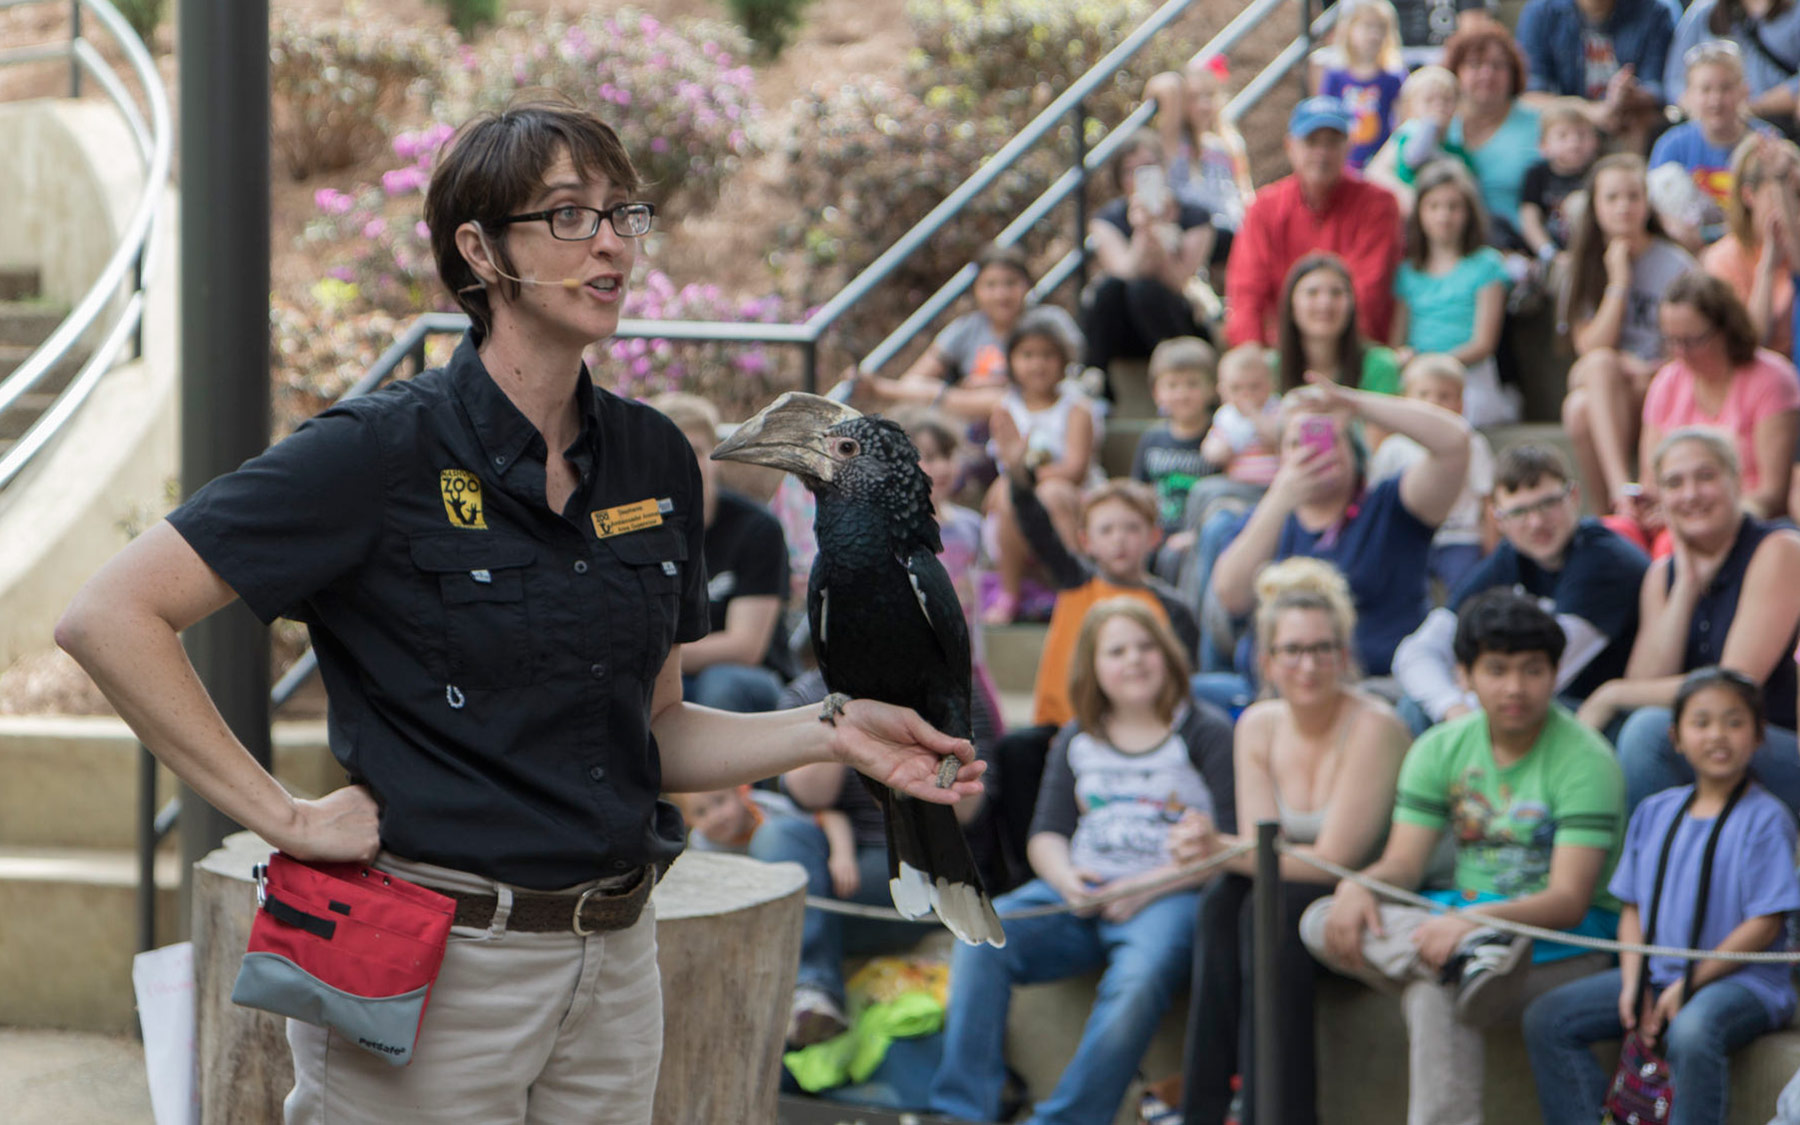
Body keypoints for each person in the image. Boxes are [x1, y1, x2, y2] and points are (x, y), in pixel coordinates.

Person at [50, 99, 987, 1123]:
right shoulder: (375, 452)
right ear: (479, 250)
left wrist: (838, 731)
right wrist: (283, 815)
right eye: (570, 216)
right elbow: (112, 614)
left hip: (616, 967)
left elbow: (657, 729)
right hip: (430, 972)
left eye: (624, 214)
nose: (614, 244)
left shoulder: (654, 457)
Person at [1301, 591, 1625, 1125]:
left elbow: (1568, 901)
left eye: (1532, 671)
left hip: (1563, 944)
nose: (1515, 688)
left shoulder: (1587, 759)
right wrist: (1359, 885)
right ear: (1464, 674)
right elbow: (1404, 866)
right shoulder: (1440, 747)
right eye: (1496, 670)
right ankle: (1470, 960)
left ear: (1555, 673)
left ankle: (1469, 958)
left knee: (1435, 990)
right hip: (1466, 922)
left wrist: (1471, 923)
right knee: (1321, 919)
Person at [928, 600, 1236, 1125]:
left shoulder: (1204, 731)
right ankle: (960, 1113)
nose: (1134, 661)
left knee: (1138, 980)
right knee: (980, 939)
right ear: (1093, 666)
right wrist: (1069, 882)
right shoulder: (1077, 736)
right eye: (1117, 651)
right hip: (1080, 893)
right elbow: (1046, 835)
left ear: (1168, 656)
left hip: (1168, 896)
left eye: (1146, 647)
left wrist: (1145, 888)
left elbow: (1234, 846)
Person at [1173, 559, 1410, 1125]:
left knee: (1263, 908)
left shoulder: (1375, 726)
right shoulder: (1257, 723)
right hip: (1284, 896)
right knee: (1224, 902)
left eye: (1323, 649)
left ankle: (1275, 1114)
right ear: (1267, 661)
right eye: (1293, 651)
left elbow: (1332, 862)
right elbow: (1265, 853)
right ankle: (1203, 1109)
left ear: (1345, 655)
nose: (1309, 665)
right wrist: (1222, 853)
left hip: (1364, 896)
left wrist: (1218, 848)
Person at [1524, 667, 1800, 1125]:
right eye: (1702, 722)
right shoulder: (1655, 811)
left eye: (1734, 722)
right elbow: (1632, 905)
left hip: (1742, 982)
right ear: (1676, 736)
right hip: (1657, 973)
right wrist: (1634, 982)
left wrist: (1688, 984)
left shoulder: (1768, 819)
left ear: (1758, 737)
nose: (1718, 736)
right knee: (1548, 1018)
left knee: (1691, 1031)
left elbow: (1764, 923)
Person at [986, 470, 1199, 880]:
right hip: (1059, 729)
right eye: (1107, 529)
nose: (1119, 539)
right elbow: (1037, 528)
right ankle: (1026, 876)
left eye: (1132, 528)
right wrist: (1016, 473)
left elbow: (1184, 680)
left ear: (1154, 536)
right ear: (1086, 540)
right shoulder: (1076, 580)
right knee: (1014, 753)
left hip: (1135, 738)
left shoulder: (1174, 608)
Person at [1576, 428, 1800, 817]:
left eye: (1706, 477)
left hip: (1774, 744)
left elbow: (1733, 685)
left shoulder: (1778, 549)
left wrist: (1609, 692)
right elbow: (1645, 678)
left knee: (1647, 731)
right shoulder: (1663, 573)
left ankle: (1653, 871)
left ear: (1735, 479)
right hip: (1703, 743)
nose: (1691, 494)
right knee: (1618, 728)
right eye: (1674, 483)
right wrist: (1686, 587)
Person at [1208, 377, 1472, 687]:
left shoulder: (1390, 505)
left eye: (1330, 439)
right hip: (1279, 692)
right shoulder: (1266, 518)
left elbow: (1455, 443)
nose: (1315, 452)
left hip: (1375, 687)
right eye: (1297, 443)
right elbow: (1230, 596)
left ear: (1353, 448)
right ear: (1281, 457)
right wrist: (1281, 497)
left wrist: (1355, 404)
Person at [1393, 443, 1650, 728]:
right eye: (1519, 512)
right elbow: (1416, 651)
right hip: (1543, 704)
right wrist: (1451, 707)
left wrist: (1469, 691)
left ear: (1574, 497)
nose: (1536, 522)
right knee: (1416, 706)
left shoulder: (1605, 560)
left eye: (1548, 504)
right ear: (1498, 519)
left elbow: (1541, 675)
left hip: (1599, 713)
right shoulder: (1511, 557)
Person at [1561, 153, 1698, 515]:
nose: (1624, 207)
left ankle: (1618, 504)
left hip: (1661, 378)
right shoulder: (1583, 265)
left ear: (1646, 202)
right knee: (1580, 405)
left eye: (1633, 196)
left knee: (1587, 393)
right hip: (1611, 381)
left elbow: (1695, 338)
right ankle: (1619, 500)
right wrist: (1618, 283)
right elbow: (1588, 346)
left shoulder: (1677, 263)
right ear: (1595, 205)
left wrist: (1649, 368)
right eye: (1612, 198)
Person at [857, 243, 1083, 445]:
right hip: (967, 419)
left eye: (1010, 283)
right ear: (976, 290)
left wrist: (992, 383)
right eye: (991, 285)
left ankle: (880, 388)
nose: (1001, 294)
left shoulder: (1048, 321)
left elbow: (1070, 371)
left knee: (999, 401)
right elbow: (916, 378)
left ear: (1027, 285)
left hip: (1037, 412)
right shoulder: (966, 328)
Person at [651, 393, 793, 713]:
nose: (683, 463)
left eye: (696, 451)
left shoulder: (757, 528)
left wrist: (646, 655)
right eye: (670, 452)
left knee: (721, 685)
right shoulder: (638, 528)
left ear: (715, 456)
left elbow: (745, 647)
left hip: (748, 679)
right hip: (668, 674)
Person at [1226, 97, 1405, 349]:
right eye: (1311, 142)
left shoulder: (1378, 204)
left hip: (1354, 351)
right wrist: (1251, 352)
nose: (1322, 153)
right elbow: (1246, 292)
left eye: (1332, 143)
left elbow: (1369, 290)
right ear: (1290, 146)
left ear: (1348, 146)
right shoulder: (1263, 208)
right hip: (1282, 351)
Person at [1638, 272, 1800, 526]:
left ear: (1725, 330)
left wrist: (1706, 519)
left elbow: (1773, 494)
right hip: (1675, 521)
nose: (1681, 353)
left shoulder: (1771, 378)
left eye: (1693, 341)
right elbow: (1651, 481)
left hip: (1746, 523)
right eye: (1672, 341)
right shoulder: (1666, 382)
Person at [894, 408, 1006, 754]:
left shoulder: (970, 526)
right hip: (916, 662)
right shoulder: (894, 530)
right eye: (927, 457)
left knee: (992, 736)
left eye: (947, 455)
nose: (941, 467)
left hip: (968, 657)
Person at [982, 308, 1101, 625]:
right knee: (1011, 495)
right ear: (1012, 360)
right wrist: (1015, 478)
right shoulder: (1005, 409)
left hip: (1074, 497)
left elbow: (1074, 469)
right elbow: (1008, 466)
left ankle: (1075, 585)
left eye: (1047, 355)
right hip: (1021, 504)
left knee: (1049, 492)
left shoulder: (1076, 409)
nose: (1037, 364)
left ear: (1063, 360)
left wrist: (1024, 475)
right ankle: (1010, 591)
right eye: (1028, 355)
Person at [1391, 161, 1518, 426]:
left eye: (1453, 207)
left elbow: (1484, 343)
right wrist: (1408, 360)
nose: (1443, 216)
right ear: (1420, 213)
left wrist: (1437, 364)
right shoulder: (1407, 272)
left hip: (1469, 375)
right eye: (1433, 206)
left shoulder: (1486, 265)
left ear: (1468, 212)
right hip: (1418, 376)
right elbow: (1397, 339)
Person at [1084, 131, 1216, 372]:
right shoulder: (1107, 220)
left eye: (1147, 167)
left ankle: (1179, 374)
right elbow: (1124, 273)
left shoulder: (1195, 217)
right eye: (1129, 170)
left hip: (1175, 318)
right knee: (1109, 289)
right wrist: (1143, 232)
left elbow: (1179, 281)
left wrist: (1159, 231)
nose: (1137, 177)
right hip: (1126, 328)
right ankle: (1097, 377)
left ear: (1163, 168)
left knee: (1144, 290)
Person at [1367, 356, 1498, 593]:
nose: (1433, 403)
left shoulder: (1473, 443)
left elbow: (1486, 499)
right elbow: (1376, 501)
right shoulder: (1394, 448)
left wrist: (1492, 550)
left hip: (1460, 537)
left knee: (1466, 589)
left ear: (1461, 404)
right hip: (1408, 538)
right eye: (1423, 394)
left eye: (1444, 396)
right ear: (1404, 400)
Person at [1649, 42, 1777, 250]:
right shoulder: (1671, 145)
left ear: (1744, 90)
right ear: (1689, 95)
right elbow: (1654, 210)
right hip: (1689, 250)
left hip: (1750, 245)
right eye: (1705, 89)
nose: (1715, 100)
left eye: (1725, 88)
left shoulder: (1766, 141)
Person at [1516, 0, 1675, 151]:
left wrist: (1628, 95)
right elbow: (1531, 96)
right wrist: (1592, 111)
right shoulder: (1541, 12)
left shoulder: (1653, 11)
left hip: (1627, 117)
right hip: (1567, 120)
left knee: (1642, 120)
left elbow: (1658, 88)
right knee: (1558, 130)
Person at [1145, 54, 1256, 268]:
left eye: (1209, 96)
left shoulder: (1227, 143)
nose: (1204, 105)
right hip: (1196, 229)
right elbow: (1166, 85)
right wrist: (1185, 79)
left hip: (1232, 229)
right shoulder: (1175, 141)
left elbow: (1245, 191)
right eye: (1194, 97)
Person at [1443, 25, 1545, 250]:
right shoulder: (1439, 124)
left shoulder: (1540, 123)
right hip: (1452, 251)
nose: (1487, 73)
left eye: (1498, 65)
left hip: (1519, 249)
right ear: (1455, 72)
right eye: (1475, 64)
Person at [1130, 336, 1219, 576]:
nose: (1182, 394)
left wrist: (1197, 533)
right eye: (1172, 385)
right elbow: (1138, 489)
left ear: (1212, 388)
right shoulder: (1151, 439)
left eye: (1192, 384)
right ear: (1157, 392)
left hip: (1196, 533)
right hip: (1157, 532)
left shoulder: (1220, 438)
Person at [1703, 134, 1800, 353]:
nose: (1792, 208)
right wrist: (1768, 265)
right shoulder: (1723, 258)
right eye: (1779, 194)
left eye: (1797, 195)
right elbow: (1752, 342)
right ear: (1749, 195)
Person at [1271, 253, 1404, 396]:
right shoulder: (1269, 369)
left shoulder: (1379, 365)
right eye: (1312, 292)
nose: (1325, 303)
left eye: (1336, 292)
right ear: (1291, 305)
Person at [1666, 0, 1800, 124]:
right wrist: (1703, 106)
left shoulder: (1794, 12)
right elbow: (1675, 81)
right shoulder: (1704, 12)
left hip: (1777, 117)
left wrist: (1756, 107)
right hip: (1709, 123)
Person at [1316, 0, 1409, 171]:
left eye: (1380, 28)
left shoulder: (1393, 77)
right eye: (1367, 27)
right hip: (1343, 162)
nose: (1374, 35)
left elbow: (1402, 120)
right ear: (1350, 30)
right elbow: (1325, 115)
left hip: (1380, 162)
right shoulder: (1336, 75)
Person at [1365, 66, 1469, 209]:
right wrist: (1431, 125)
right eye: (1429, 100)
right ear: (1410, 108)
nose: (1439, 106)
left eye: (1447, 100)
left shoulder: (1455, 140)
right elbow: (1414, 157)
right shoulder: (1409, 132)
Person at [1518, 98, 1603, 266]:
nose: (1574, 143)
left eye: (1582, 134)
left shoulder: (1599, 173)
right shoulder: (1537, 174)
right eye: (1563, 136)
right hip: (1551, 254)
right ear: (1544, 145)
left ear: (1596, 141)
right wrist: (1548, 252)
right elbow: (1529, 217)